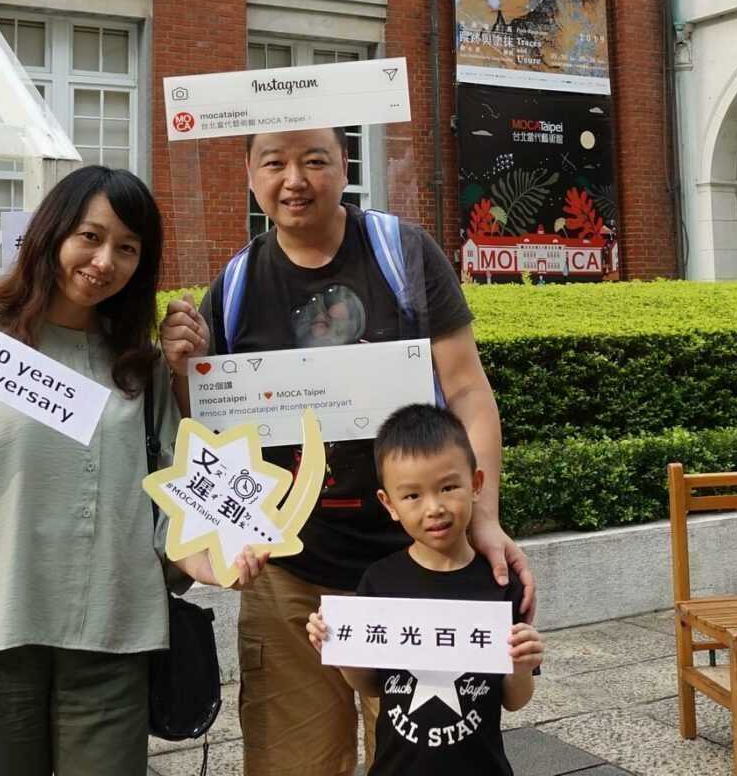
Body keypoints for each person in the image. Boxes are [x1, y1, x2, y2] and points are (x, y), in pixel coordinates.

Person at [0, 167, 262, 776]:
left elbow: (173, 495)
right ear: (51, 236)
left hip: (112, 637)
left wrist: (209, 554)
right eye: (90, 237)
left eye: (127, 248)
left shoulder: (137, 366)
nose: (105, 261)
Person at [160, 127, 533, 776]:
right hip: (288, 580)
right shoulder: (238, 284)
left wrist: (483, 516)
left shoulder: (402, 254)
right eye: (274, 163)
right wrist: (181, 372)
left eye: (314, 160)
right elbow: (211, 431)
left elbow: (468, 388)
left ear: (345, 166)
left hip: (411, 570)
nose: (294, 179)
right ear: (251, 175)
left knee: (427, 761)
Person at [306, 405, 544, 775]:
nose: (434, 508)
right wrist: (340, 651)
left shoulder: (498, 582)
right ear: (389, 505)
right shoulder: (379, 582)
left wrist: (521, 665)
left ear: (476, 484)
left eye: (448, 487)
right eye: (412, 496)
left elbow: (515, 700)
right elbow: (371, 685)